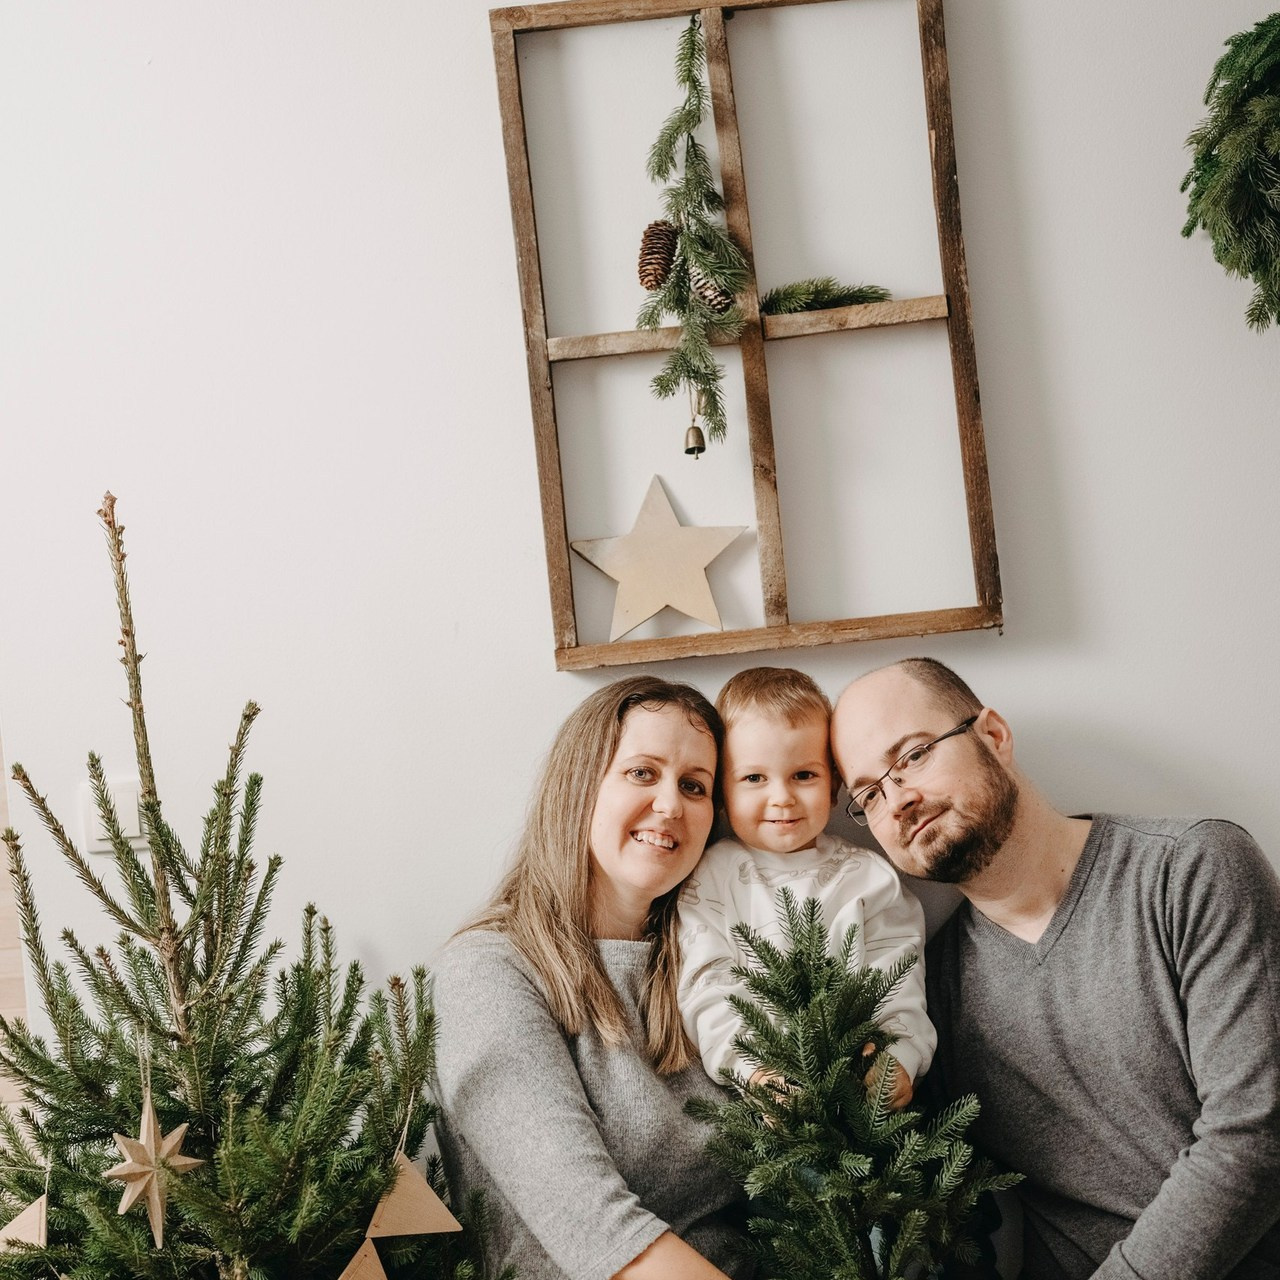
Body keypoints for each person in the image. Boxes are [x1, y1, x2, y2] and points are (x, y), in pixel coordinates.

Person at [829, 656, 1280, 1280]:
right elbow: (932, 1202)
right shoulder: (925, 994)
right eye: (868, 795)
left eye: (912, 755)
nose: (898, 799)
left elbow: (1257, 1133)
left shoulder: (1192, 870)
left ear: (993, 735)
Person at [431, 676, 754, 1280]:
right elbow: (597, 1231)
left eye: (694, 786)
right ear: (580, 784)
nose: (670, 805)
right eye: (642, 772)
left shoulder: (708, 968)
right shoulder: (488, 971)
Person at [677, 666, 934, 1108]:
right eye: (754, 778)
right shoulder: (711, 875)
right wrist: (751, 1069)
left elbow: (900, 977)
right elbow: (706, 984)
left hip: (861, 1094)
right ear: (722, 791)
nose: (782, 797)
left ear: (834, 785)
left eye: (803, 775)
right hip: (761, 1097)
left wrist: (901, 1059)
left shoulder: (870, 878)